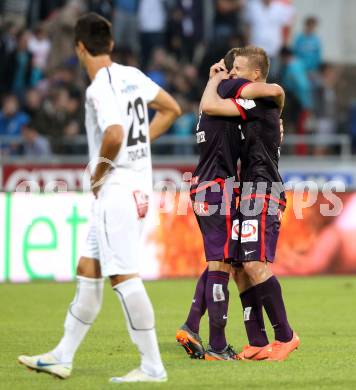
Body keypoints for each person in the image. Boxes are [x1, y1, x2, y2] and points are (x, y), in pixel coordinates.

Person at [18, 12, 181, 383]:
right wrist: (140, 144)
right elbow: (171, 109)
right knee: (88, 269)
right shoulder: (134, 76)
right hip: (137, 185)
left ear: (79, 47)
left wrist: (102, 169)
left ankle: (152, 366)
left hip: (117, 191)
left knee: (123, 277)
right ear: (109, 44)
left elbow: (113, 133)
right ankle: (62, 355)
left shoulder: (98, 88)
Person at [176, 48, 285, 360]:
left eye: (239, 68)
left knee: (221, 260)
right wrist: (275, 100)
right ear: (225, 72)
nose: (235, 73)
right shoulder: (226, 99)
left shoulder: (214, 109)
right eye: (232, 68)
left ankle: (191, 324)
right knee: (222, 263)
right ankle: (217, 344)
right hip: (218, 189)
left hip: (206, 186)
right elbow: (261, 97)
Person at [200, 46, 300, 361]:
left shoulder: (259, 100)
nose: (233, 74)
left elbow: (210, 106)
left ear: (254, 75)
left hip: (264, 190)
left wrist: (214, 79)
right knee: (242, 268)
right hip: (248, 191)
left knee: (255, 264)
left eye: (239, 69)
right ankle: (257, 341)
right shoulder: (252, 104)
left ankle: (285, 336)